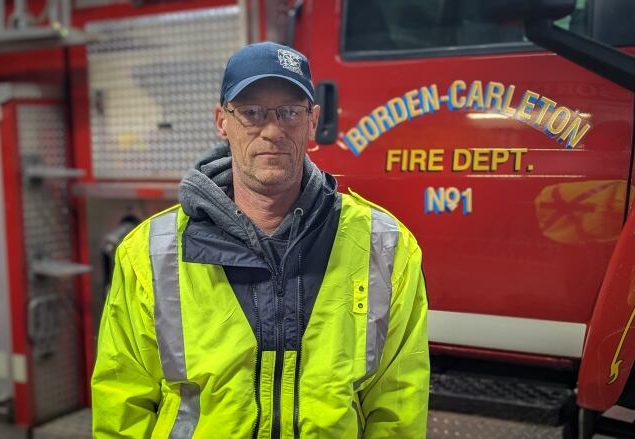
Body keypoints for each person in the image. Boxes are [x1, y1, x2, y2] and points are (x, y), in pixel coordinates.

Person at [91, 41, 429, 438]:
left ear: (312, 121)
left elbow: (397, 403)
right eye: (251, 113)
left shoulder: (384, 246)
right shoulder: (151, 251)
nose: (272, 130)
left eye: (289, 112)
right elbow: (123, 399)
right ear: (222, 121)